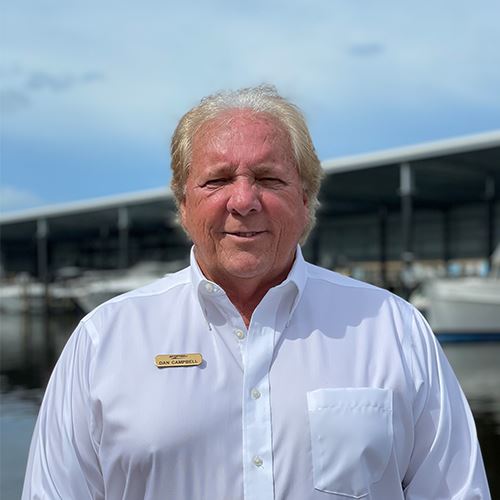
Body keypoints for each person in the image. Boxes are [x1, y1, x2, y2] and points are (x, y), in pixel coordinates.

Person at [23, 85, 490, 499]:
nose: (244, 201)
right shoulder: (103, 340)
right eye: (218, 180)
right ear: (183, 204)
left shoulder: (394, 329)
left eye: (268, 178)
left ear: (305, 199)